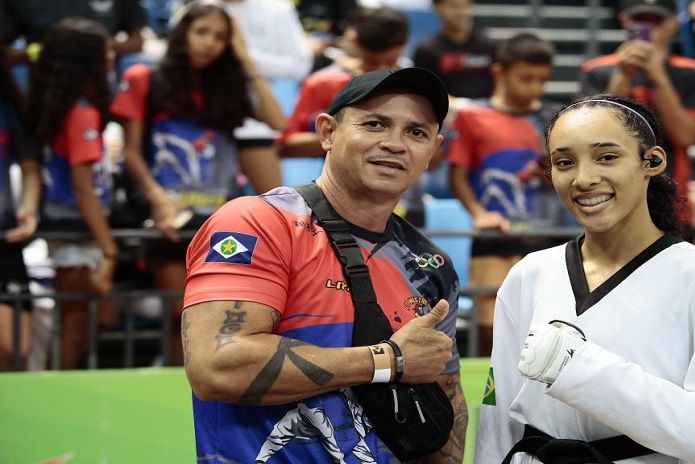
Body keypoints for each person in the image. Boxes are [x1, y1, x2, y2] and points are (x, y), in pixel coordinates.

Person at [181, 67, 467, 463]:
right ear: (328, 132)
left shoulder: (430, 264)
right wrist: (388, 360)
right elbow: (217, 367)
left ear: (433, 150)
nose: (395, 144)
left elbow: (444, 399)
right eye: (374, 124)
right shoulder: (257, 222)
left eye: (416, 133)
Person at [475, 94, 695, 463]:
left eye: (607, 157)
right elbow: (498, 413)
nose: (583, 179)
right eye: (564, 162)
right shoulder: (530, 273)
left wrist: (581, 371)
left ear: (652, 161)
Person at [110, 1, 285, 365]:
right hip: (168, 218)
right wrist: (157, 198)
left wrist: (246, 60)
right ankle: (174, 394)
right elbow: (130, 152)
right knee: (182, 318)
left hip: (220, 224)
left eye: (220, 38)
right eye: (202, 32)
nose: (210, 43)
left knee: (217, 325)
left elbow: (276, 120)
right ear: (182, 33)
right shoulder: (146, 78)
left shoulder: (228, 87)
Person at [446, 33, 565, 356]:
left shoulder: (555, 119)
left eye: (543, 80)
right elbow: (457, 176)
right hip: (494, 237)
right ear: (499, 72)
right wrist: (478, 213)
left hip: (549, 235)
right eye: (526, 79)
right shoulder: (473, 117)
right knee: (491, 329)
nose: (536, 88)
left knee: (552, 326)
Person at [29, 17, 120, 370]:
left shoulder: (61, 107)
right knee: (76, 324)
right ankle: (54, 395)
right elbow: (84, 190)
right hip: (76, 234)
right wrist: (109, 251)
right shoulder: (81, 113)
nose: (113, 56)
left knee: (89, 319)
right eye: (106, 50)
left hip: (72, 231)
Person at [580, 0, 695, 223]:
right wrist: (623, 77)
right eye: (640, 20)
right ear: (624, 21)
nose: (649, 28)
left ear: (673, 24)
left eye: (657, 21)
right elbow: (591, 133)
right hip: (607, 196)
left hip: (670, 199)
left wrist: (659, 77)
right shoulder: (597, 70)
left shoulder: (694, 73)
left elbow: (684, 136)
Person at [279, 6, 409, 157]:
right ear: (355, 42)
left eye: (391, 61)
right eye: (372, 62)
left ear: (403, 46)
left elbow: (433, 153)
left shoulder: (415, 84)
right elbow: (286, 146)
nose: (381, 69)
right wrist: (348, 134)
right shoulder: (323, 83)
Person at [220, 0, 314, 193]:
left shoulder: (277, 9)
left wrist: (245, 58)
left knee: (274, 204)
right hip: (205, 120)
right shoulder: (198, 8)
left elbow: (301, 65)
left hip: (257, 118)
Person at [0, 49, 39, 371]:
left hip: (5, 239)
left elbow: (29, 165)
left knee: (16, 347)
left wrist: (28, 207)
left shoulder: (8, 104)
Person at [0, 0, 146, 63]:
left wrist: (101, 46)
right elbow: (4, 53)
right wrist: (41, 51)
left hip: (102, 90)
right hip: (46, 91)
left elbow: (137, 42)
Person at [413, 0, 496, 100]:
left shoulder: (489, 44)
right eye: (453, 6)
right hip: (447, 110)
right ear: (437, 7)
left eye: (466, 6)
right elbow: (425, 90)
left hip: (487, 109)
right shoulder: (426, 50)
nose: (460, 12)